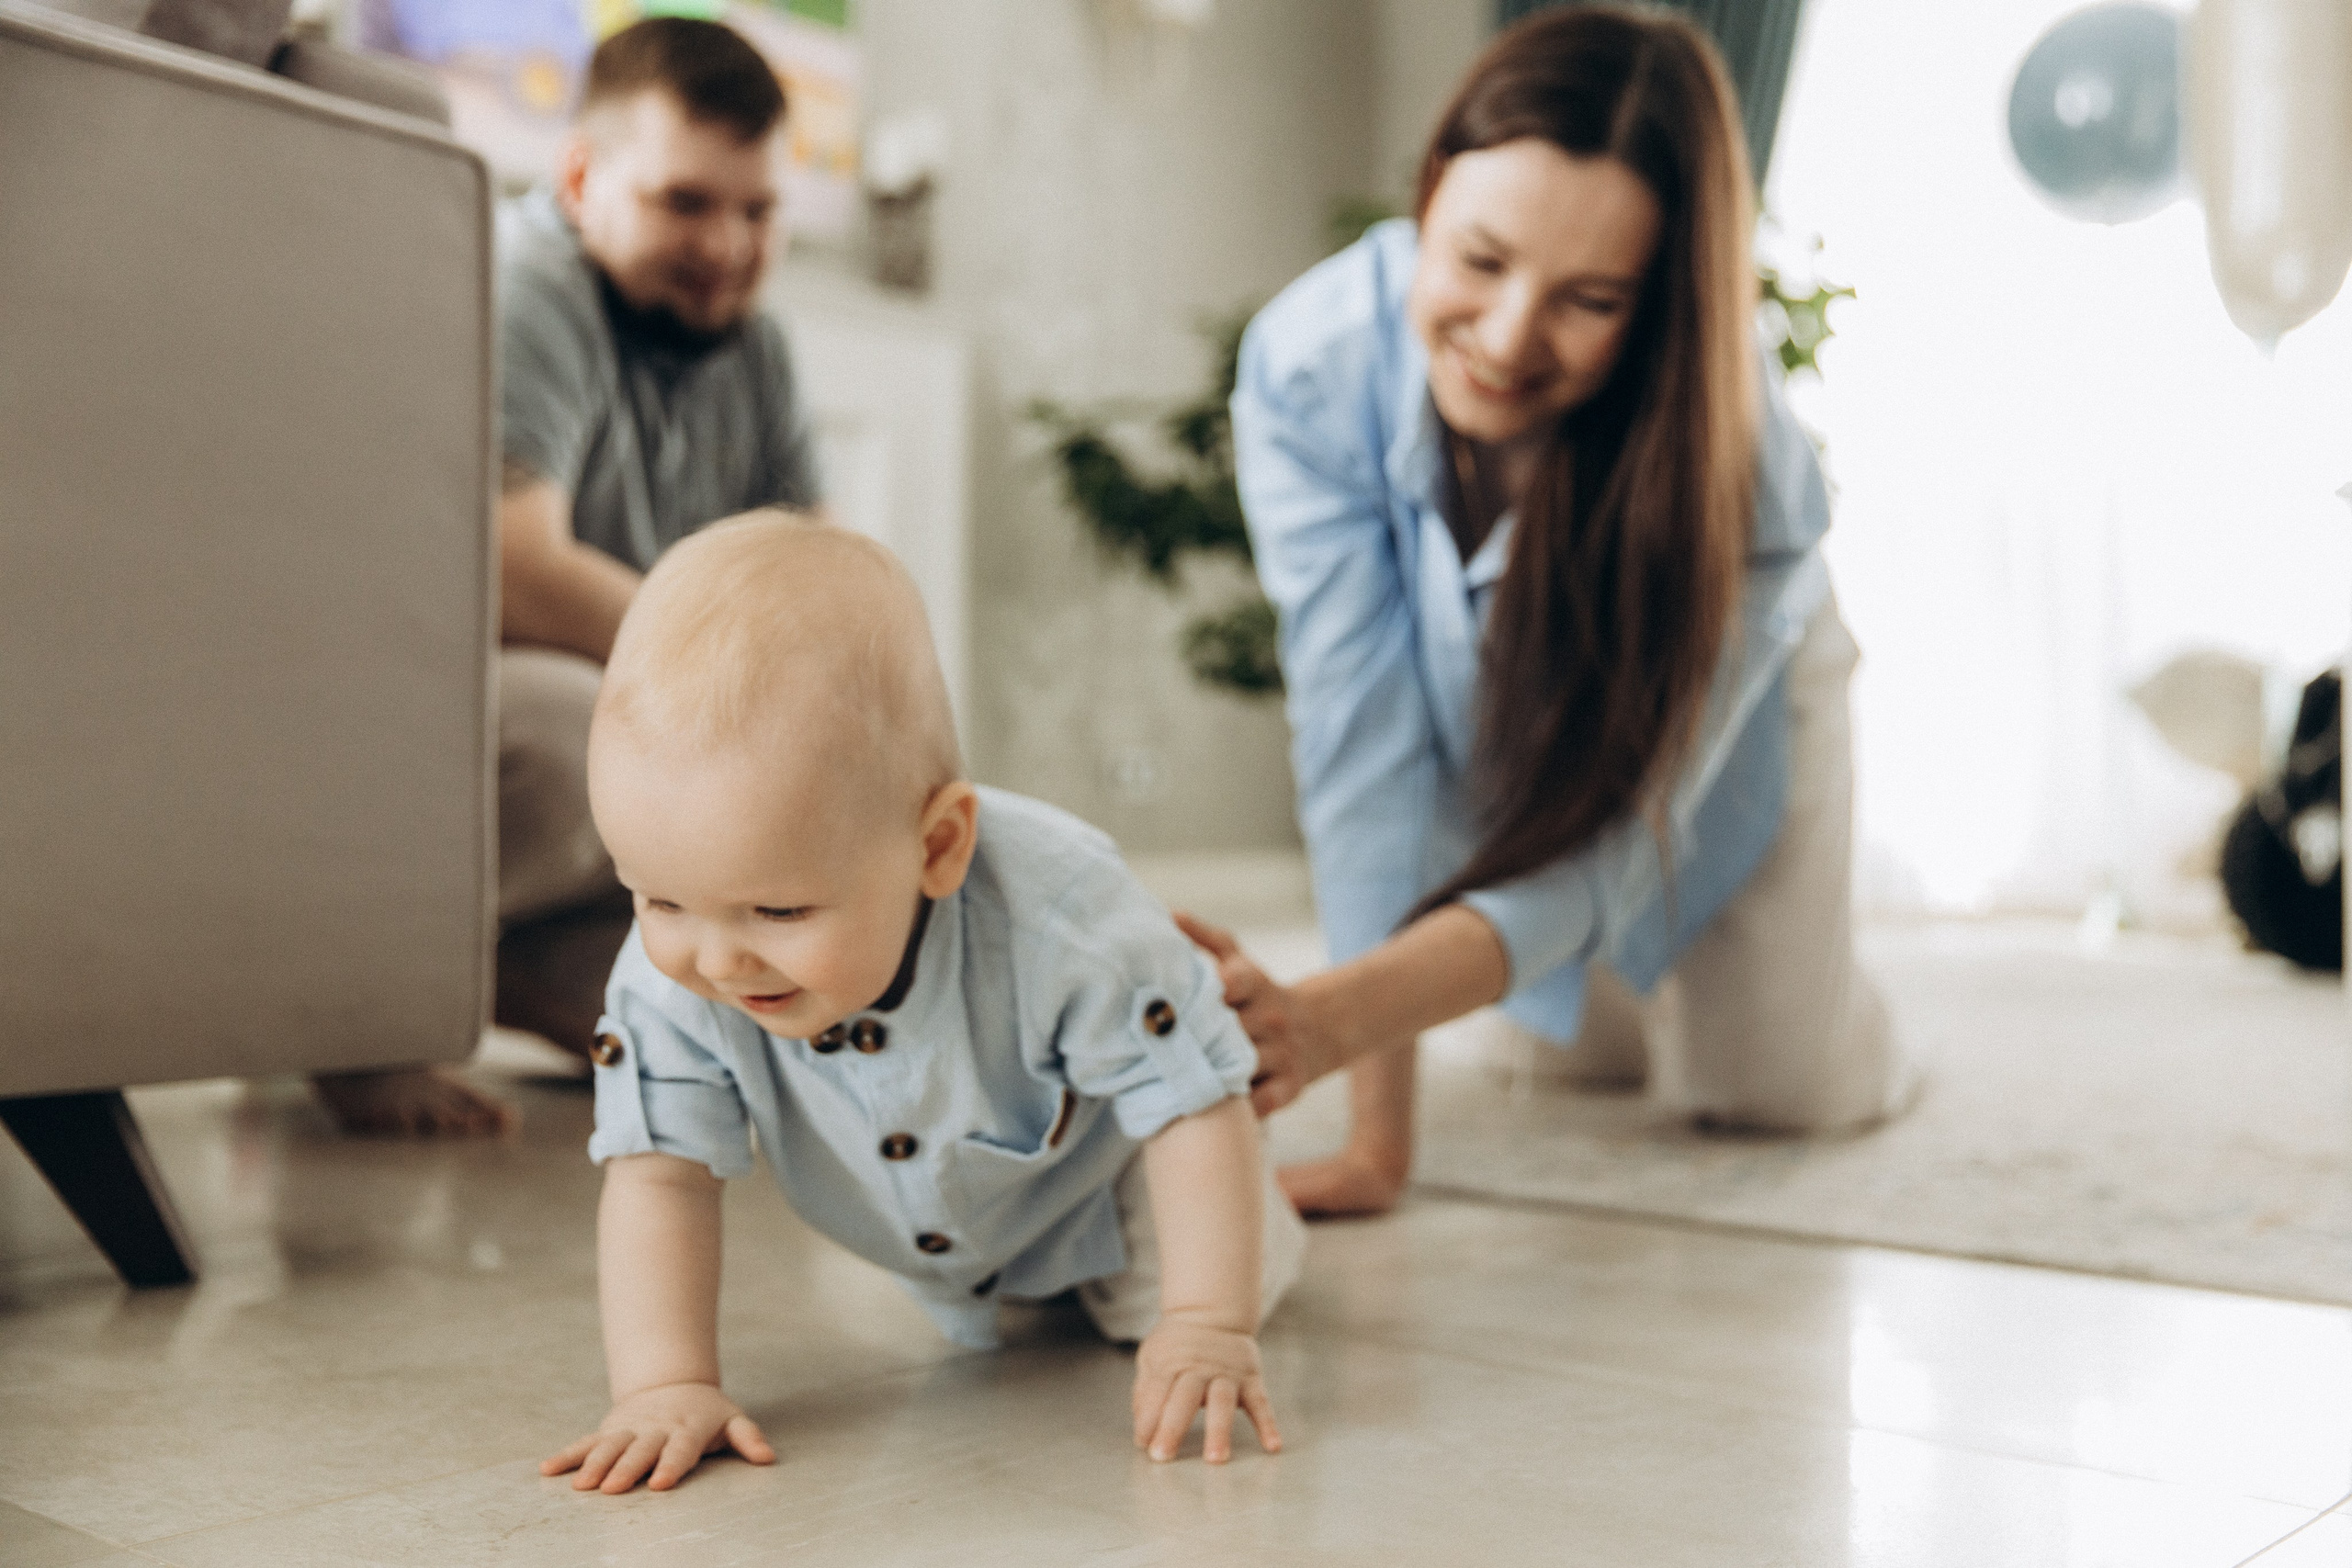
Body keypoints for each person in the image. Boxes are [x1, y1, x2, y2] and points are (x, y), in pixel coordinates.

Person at [1181, 6, 1914, 1218]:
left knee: (1772, 1084)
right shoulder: (1312, 365)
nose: (1508, 338)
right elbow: (1363, 749)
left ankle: (1859, 1017)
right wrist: (1374, 1144)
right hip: (1503, 712)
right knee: (1569, 1048)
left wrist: (1328, 1016)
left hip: (1727, 724)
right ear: (1427, 198)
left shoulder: (1737, 463)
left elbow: (1615, 837)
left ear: (1659, 302)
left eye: (1592, 298)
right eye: (1478, 260)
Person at [543, 514, 1302, 1494]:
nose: (718, 959)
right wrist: (664, 1384)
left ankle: (1253, 1228)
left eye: (778, 909)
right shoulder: (672, 978)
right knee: (1014, 1328)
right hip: (947, 1235)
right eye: (657, 899)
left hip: (1120, 1179)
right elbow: (661, 1178)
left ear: (938, 846)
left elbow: (1189, 1105)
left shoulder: (1067, 920)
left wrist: (1207, 1322)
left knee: (1167, 1298)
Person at [315, 17, 820, 1135]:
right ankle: (352, 1002)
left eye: (757, 211)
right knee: (569, 733)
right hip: (451, 715)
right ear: (583, 177)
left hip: (630, 758)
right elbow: (518, 574)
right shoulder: (522, 283)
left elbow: (820, 591)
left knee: (760, 1017)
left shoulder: (759, 349)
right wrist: (745, 694)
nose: (726, 245)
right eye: (685, 202)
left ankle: (483, 965)